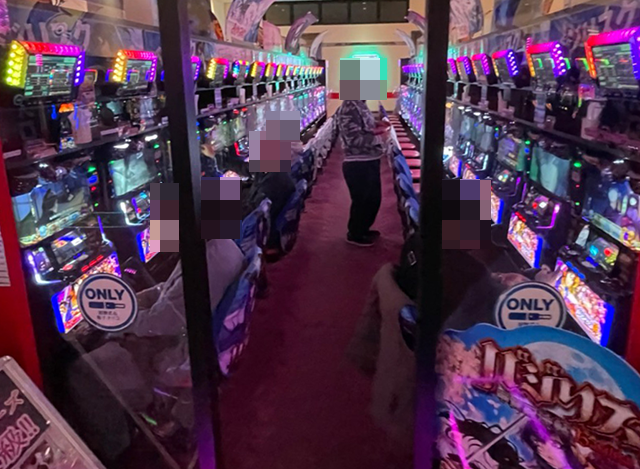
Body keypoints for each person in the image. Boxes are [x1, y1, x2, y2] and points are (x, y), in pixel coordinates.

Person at [335, 100, 390, 246]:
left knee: (373, 200)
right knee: (362, 201)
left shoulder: (360, 103)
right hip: (358, 162)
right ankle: (355, 234)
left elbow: (363, 127)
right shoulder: (349, 107)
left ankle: (363, 229)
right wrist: (380, 138)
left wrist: (376, 126)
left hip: (370, 158)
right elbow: (353, 139)